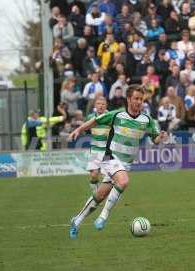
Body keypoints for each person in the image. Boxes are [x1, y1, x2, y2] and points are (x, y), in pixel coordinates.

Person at [68, 85, 167, 239]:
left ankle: (77, 220)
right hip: (109, 157)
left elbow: (155, 139)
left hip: (125, 164)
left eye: (141, 99)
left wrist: (160, 138)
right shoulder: (117, 115)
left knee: (99, 195)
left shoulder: (147, 119)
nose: (139, 102)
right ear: (128, 99)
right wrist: (78, 130)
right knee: (123, 181)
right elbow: (95, 121)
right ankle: (103, 217)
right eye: (136, 98)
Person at [84, 97, 109, 193]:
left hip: (107, 151)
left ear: (106, 106)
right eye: (98, 104)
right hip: (95, 150)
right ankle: (96, 193)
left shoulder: (110, 117)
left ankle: (108, 194)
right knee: (93, 174)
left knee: (106, 176)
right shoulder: (90, 117)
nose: (100, 106)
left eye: (103, 104)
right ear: (95, 106)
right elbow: (85, 128)